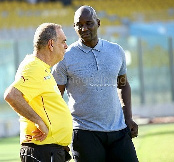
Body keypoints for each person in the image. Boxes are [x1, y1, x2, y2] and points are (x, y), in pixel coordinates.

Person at [52, 5, 139, 162]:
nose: (84, 28)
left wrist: (129, 118)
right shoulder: (64, 58)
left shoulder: (116, 51)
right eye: (79, 25)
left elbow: (123, 85)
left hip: (119, 131)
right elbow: (55, 98)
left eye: (89, 23)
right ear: (74, 27)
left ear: (98, 23)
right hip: (84, 133)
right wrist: (59, 132)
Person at [4, 23, 73, 162]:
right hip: (42, 150)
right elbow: (11, 95)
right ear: (51, 44)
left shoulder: (43, 68)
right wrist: (39, 122)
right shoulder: (34, 66)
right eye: (63, 41)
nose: (66, 46)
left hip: (49, 150)